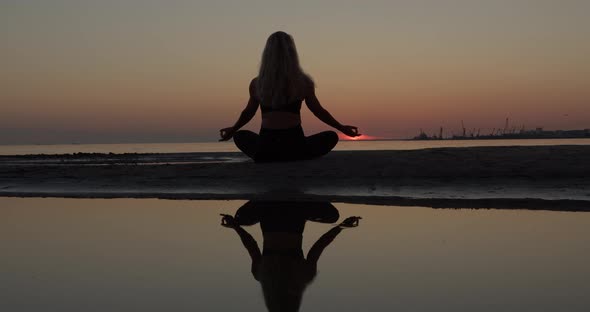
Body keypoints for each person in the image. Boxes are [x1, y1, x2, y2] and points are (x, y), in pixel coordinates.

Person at [219, 31, 360, 162]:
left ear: (266, 55)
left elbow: (248, 113)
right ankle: (298, 154)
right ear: (292, 54)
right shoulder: (303, 82)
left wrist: (233, 130)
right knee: (331, 136)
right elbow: (318, 111)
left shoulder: (257, 83)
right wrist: (342, 129)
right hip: (295, 146)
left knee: (240, 136)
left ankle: (267, 156)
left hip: (266, 148)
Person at [220, 200, 361, 312]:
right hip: (269, 211)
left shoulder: (303, 277)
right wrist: (236, 227)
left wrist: (341, 227)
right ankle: (268, 197)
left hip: (295, 211)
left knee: (332, 216)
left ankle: (283, 197)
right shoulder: (261, 275)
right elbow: (251, 245)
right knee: (240, 218)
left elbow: (319, 246)